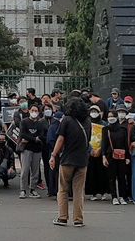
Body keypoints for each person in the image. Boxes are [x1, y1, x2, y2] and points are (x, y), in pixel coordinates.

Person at [50, 96, 90, 228]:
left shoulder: (66, 120)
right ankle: (78, 219)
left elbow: (60, 139)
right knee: (78, 191)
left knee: (63, 189)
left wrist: (53, 155)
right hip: (82, 160)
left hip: (67, 159)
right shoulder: (88, 121)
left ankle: (62, 218)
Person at [18, 103, 47, 199]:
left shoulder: (40, 123)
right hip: (26, 149)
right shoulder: (24, 122)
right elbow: (23, 134)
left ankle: (33, 189)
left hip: (37, 149)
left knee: (35, 171)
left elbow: (42, 135)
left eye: (36, 111)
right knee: (25, 170)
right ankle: (23, 190)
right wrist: (34, 139)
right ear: (29, 111)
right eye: (32, 110)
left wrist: (31, 138)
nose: (34, 112)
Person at [102, 110, 129, 205]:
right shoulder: (105, 129)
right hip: (110, 156)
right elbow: (104, 144)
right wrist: (103, 156)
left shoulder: (123, 129)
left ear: (116, 117)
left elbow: (126, 144)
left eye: (113, 116)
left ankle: (122, 196)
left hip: (122, 155)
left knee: (122, 177)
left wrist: (127, 157)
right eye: (109, 116)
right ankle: (114, 196)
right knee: (111, 177)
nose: (111, 118)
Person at [85, 105, 108, 201]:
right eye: (92, 111)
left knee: (102, 172)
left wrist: (100, 149)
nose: (93, 113)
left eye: (95, 111)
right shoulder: (87, 123)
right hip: (90, 152)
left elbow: (106, 139)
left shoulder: (104, 124)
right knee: (91, 173)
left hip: (101, 151)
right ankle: (93, 193)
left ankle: (103, 192)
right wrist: (90, 150)